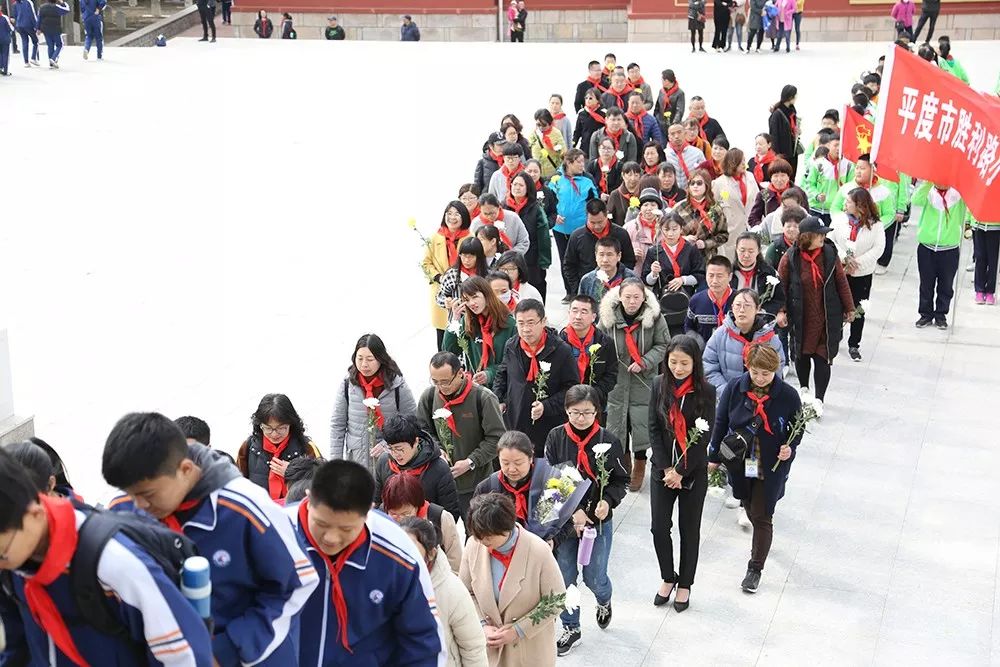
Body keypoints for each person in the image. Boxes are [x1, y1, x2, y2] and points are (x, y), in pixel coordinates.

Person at [102, 413, 318, 665]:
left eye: (147, 494)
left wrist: (226, 651)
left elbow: (297, 583)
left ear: (185, 469)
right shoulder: (126, 508)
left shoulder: (245, 506)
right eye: (130, 493)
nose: (138, 504)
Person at [0, 449, 215, 666]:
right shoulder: (14, 569)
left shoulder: (113, 562)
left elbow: (183, 656)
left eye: (2, 553)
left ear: (35, 514)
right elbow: (18, 646)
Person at [292, 459, 443, 665]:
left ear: (368, 511)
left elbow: (423, 640)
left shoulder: (397, 552)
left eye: (346, 529)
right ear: (309, 499)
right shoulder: (274, 534)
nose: (331, 538)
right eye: (321, 523)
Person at [708, 345, 803, 594]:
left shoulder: (788, 396)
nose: (760, 378)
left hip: (770, 465)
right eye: (755, 372)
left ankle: (754, 569)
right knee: (748, 504)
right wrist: (713, 455)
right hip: (743, 462)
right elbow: (721, 421)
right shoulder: (735, 388)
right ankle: (761, 540)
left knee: (762, 516)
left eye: (766, 374)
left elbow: (798, 426)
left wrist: (790, 446)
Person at [544, 385, 629, 655]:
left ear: (597, 412)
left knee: (594, 577)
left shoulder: (609, 440)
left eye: (587, 413)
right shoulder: (556, 437)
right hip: (566, 521)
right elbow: (551, 480)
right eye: (575, 412)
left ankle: (604, 598)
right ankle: (571, 627)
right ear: (566, 411)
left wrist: (607, 501)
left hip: (597, 521)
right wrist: (573, 511)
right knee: (566, 575)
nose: (581, 418)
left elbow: (620, 479)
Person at [648, 335, 716, 610]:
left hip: (692, 472)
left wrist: (681, 471)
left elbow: (704, 437)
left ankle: (685, 583)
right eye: (673, 362)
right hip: (662, 471)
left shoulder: (706, 392)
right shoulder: (658, 385)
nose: (677, 368)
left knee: (690, 530)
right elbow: (653, 427)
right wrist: (666, 468)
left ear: (695, 363)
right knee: (659, 527)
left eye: (684, 363)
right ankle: (668, 576)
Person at [460, 493, 564, 667]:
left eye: (488, 536)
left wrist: (518, 630)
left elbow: (556, 600)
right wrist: (482, 624)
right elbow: (464, 592)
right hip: (488, 648)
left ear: (505, 528)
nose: (482, 541)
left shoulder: (538, 550)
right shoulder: (474, 545)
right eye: (478, 536)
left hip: (528, 649)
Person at [777, 217, 855, 416]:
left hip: (827, 315)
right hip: (801, 315)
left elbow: (841, 281)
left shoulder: (830, 253)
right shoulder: (791, 257)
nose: (823, 237)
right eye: (819, 234)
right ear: (807, 237)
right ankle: (804, 391)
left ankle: (819, 399)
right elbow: (781, 286)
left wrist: (849, 307)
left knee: (824, 358)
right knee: (802, 354)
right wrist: (781, 310)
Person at [599, 278, 669, 492]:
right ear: (620, 296)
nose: (631, 302)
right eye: (627, 297)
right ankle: (624, 463)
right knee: (619, 424)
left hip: (643, 381)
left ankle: (640, 464)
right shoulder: (608, 318)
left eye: (636, 297)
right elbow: (599, 341)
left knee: (641, 424)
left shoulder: (655, 317)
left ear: (644, 297)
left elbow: (664, 344)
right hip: (618, 381)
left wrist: (645, 362)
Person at [418, 351, 505, 520]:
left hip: (476, 485)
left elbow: (497, 439)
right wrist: (437, 449)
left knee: (478, 536)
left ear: (460, 374)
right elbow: (423, 431)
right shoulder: (429, 397)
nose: (440, 387)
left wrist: (471, 462)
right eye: (435, 381)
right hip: (440, 484)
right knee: (437, 537)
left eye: (445, 382)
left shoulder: (483, 398)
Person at [400, 517, 489, 667]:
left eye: (412, 549)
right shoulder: (385, 585)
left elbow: (473, 648)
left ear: (431, 553)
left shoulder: (451, 590)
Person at [494, 299, 578, 456]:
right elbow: (502, 373)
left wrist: (546, 406)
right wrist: (499, 400)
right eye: (521, 323)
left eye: (531, 322)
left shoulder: (561, 351)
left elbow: (571, 389)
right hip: (515, 423)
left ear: (544, 321)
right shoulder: (512, 345)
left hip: (547, 426)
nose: (526, 329)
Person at [330, 333, 418, 472]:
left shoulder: (397, 385)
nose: (364, 364)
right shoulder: (348, 385)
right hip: (357, 460)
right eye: (360, 359)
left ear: (380, 359)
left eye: (370, 359)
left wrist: (387, 444)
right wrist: (335, 462)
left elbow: (412, 421)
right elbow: (337, 425)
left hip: (391, 462)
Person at [829, 188, 886, 361]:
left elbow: (878, 248)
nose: (845, 205)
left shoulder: (876, 225)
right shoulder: (840, 220)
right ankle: (834, 339)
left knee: (859, 309)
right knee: (837, 306)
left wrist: (857, 263)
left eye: (849, 202)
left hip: (863, 274)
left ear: (859, 205)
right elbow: (831, 241)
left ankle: (854, 344)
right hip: (842, 272)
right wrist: (845, 259)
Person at [373, 414, 460, 521]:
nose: (395, 454)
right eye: (390, 448)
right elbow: (376, 502)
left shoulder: (438, 467)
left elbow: (450, 514)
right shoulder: (384, 462)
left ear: (415, 442)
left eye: (399, 448)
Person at [236, 393, 321, 501]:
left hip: (294, 511)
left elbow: (322, 484)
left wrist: (293, 471)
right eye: (268, 428)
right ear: (260, 425)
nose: (274, 434)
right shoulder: (248, 447)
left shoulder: (307, 447)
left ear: (291, 424)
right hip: (260, 511)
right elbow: (237, 483)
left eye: (281, 428)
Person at [704, 288, 785, 390]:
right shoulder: (720, 335)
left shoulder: (769, 337)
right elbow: (709, 366)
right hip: (729, 396)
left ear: (757, 309)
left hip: (761, 397)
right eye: (738, 305)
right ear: (732, 307)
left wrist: (762, 393)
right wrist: (726, 391)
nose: (742, 310)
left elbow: (778, 367)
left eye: (747, 306)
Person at [382, 472, 463, 574]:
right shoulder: (380, 517)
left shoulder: (440, 517)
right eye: (393, 514)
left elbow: (455, 563)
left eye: (406, 514)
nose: (400, 519)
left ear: (417, 505)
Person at [911, 181, 966, 329]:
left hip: (949, 248)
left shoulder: (958, 195)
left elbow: (967, 212)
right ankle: (925, 314)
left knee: (946, 285)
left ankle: (941, 315)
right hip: (927, 248)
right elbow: (915, 200)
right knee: (926, 284)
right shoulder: (929, 193)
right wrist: (928, 182)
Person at [443, 277, 516, 387]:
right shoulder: (468, 322)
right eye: (466, 300)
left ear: (486, 294)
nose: (471, 303)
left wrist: (489, 374)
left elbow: (514, 363)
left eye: (475, 297)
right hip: (477, 390)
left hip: (503, 389)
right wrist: (455, 321)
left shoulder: (508, 323)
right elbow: (449, 351)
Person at [829, 154, 896, 273]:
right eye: (857, 167)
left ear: (873, 170)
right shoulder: (846, 188)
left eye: (862, 168)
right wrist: (843, 222)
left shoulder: (883, 192)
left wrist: (874, 225)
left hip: (867, 242)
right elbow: (835, 208)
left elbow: (889, 214)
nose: (858, 171)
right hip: (844, 241)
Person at [563, 199, 636, 297]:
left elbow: (629, 261)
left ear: (606, 215)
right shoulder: (577, 236)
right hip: (588, 289)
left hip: (617, 289)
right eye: (592, 222)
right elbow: (569, 265)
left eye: (600, 222)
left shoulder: (621, 234)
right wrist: (578, 288)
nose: (597, 226)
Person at [424, 201, 472, 347]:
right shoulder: (435, 238)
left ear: (464, 217)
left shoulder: (470, 238)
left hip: (464, 293)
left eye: (457, 214)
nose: (452, 217)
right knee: (443, 338)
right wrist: (439, 277)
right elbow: (425, 263)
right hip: (442, 294)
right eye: (449, 213)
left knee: (464, 337)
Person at [560, 295, 619, 415]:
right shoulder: (557, 342)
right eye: (574, 311)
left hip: (594, 404)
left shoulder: (605, 342)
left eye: (584, 312)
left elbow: (611, 375)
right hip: (564, 405)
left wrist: (593, 394)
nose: (578, 316)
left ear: (593, 317)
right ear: (568, 313)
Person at [504, 172, 552, 299]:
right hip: (508, 259)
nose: (517, 188)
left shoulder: (535, 208)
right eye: (514, 184)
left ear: (528, 188)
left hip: (532, 257)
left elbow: (544, 236)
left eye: (521, 185)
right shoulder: (504, 206)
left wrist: (544, 260)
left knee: (535, 288)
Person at [642, 210, 707, 301]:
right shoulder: (654, 251)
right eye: (666, 229)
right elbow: (647, 281)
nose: (670, 234)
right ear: (661, 229)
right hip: (662, 297)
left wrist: (682, 280)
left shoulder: (690, 249)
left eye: (674, 229)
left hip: (687, 295)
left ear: (681, 229)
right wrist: (653, 273)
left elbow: (700, 275)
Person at [713, 148, 760, 260]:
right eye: (741, 161)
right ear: (732, 162)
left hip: (750, 227)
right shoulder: (719, 183)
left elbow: (758, 199)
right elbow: (714, 208)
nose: (744, 164)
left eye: (744, 160)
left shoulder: (750, 177)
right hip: (731, 230)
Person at [674, 169, 728, 261]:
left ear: (706, 186)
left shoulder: (715, 209)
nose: (695, 186)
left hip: (707, 259)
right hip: (683, 258)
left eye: (699, 183)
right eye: (692, 183)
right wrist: (684, 239)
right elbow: (668, 232)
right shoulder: (679, 207)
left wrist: (705, 244)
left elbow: (723, 236)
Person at [731, 231, 785, 316]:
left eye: (751, 251)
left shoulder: (769, 273)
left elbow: (779, 299)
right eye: (742, 250)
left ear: (758, 251)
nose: (746, 255)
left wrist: (764, 311)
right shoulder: (729, 272)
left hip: (761, 320)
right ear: (736, 249)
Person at [684, 255, 735, 344]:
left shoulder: (739, 299)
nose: (714, 281)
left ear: (730, 276)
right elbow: (688, 327)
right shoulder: (696, 300)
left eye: (719, 276)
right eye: (711, 275)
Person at [803, 133, 852, 224]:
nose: (838, 148)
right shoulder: (818, 164)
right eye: (836, 145)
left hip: (836, 210)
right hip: (816, 208)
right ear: (828, 145)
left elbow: (850, 187)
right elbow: (809, 184)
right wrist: (817, 195)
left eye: (841, 146)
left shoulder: (848, 165)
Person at [436, 237, 490, 317]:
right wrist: (446, 301)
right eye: (464, 256)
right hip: (458, 319)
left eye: (471, 256)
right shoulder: (452, 275)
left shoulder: (487, 275)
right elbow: (439, 296)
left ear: (478, 257)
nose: (466, 260)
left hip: (482, 318)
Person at [748, 158, 806, 230]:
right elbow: (753, 218)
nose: (779, 179)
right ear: (771, 178)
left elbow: (806, 216)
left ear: (788, 177)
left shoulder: (799, 193)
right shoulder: (764, 194)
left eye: (783, 175)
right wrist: (765, 228)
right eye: (775, 176)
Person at [579, 236, 638, 303]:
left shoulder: (631, 278)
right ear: (596, 256)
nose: (605, 260)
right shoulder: (587, 280)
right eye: (601, 255)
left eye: (609, 255)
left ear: (619, 256)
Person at [624, 187, 665, 273]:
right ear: (640, 208)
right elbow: (619, 252)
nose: (649, 208)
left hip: (662, 276)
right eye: (645, 205)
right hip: (636, 276)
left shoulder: (665, 227)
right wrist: (631, 254)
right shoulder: (629, 227)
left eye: (653, 205)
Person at [768, 85, 800, 180]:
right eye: (795, 95)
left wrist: (797, 131)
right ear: (790, 97)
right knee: (783, 177)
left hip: (792, 151)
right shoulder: (777, 114)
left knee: (791, 177)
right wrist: (777, 156)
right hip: (782, 153)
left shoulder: (792, 111)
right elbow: (774, 136)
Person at [663, 123, 704, 190]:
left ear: (685, 134)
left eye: (679, 132)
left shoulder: (697, 153)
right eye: (673, 134)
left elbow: (704, 174)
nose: (676, 136)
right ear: (669, 137)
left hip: (693, 191)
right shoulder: (664, 154)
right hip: (672, 193)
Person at [529, 109, 566, 181]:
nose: (541, 127)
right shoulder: (534, 134)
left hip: (553, 173)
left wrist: (557, 150)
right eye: (538, 124)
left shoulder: (556, 133)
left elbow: (563, 152)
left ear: (549, 123)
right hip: (537, 174)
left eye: (544, 125)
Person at [971, 215, 1000, 305]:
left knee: (993, 261)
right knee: (980, 259)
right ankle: (979, 290)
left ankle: (990, 291)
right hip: (979, 226)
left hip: (996, 228)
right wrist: (968, 222)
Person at [587, 137, 624, 201]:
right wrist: (600, 194)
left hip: (615, 199)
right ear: (598, 150)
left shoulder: (620, 166)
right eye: (603, 148)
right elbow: (589, 184)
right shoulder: (592, 165)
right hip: (596, 199)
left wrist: (611, 196)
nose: (606, 151)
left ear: (614, 150)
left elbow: (621, 185)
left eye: (609, 148)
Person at [607, 161, 642, 227]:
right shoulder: (615, 194)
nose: (633, 178)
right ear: (623, 175)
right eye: (629, 175)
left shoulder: (642, 193)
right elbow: (609, 216)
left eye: (636, 175)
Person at [36, 0, 68, 67]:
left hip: (45, 29)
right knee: (60, 45)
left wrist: (38, 28)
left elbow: (39, 18)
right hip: (55, 28)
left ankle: (51, 63)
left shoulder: (42, 7)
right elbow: (67, 10)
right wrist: (62, 2)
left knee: (50, 45)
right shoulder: (57, 7)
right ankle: (53, 59)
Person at [573, 88, 606, 153]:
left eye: (590, 98)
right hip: (585, 148)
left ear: (597, 100)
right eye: (586, 98)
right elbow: (577, 132)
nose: (588, 100)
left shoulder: (604, 113)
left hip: (599, 148)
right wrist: (573, 145)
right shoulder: (581, 113)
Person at [654, 70, 686, 138]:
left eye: (662, 80)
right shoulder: (661, 91)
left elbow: (679, 111)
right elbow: (657, 107)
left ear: (667, 81)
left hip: (673, 126)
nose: (661, 81)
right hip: (661, 125)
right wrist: (656, 119)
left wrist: (674, 123)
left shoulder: (680, 93)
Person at [12, 0, 39, 67]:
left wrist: (16, 25)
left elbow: (15, 15)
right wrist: (36, 26)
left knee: (25, 42)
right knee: (35, 41)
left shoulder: (15, 4)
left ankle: (26, 62)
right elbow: (32, 14)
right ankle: (33, 58)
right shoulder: (28, 2)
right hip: (28, 25)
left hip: (19, 25)